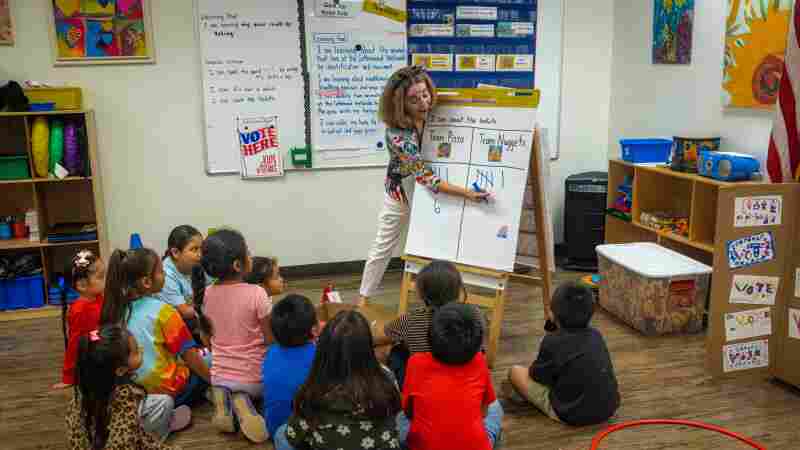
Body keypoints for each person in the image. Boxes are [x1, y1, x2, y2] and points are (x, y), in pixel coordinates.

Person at [358, 65, 489, 306]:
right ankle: (363, 301)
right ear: (400, 104)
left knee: (441, 240)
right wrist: (468, 193)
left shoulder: (435, 112)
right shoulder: (397, 134)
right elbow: (426, 178)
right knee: (383, 244)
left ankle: (446, 296)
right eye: (414, 99)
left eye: (425, 94)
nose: (423, 102)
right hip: (402, 191)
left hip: (436, 185)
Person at [274, 310, 401, 450]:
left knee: (281, 434)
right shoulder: (386, 377)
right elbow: (394, 416)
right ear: (368, 347)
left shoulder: (313, 389)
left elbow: (294, 436)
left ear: (323, 348)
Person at [101, 248, 211, 407]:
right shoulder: (164, 311)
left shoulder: (112, 312)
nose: (165, 274)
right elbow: (190, 356)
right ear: (146, 282)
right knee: (209, 359)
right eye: (161, 271)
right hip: (169, 392)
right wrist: (214, 381)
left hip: (130, 394)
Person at [194, 229, 272, 443]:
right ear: (238, 265)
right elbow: (269, 339)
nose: (251, 255)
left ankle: (225, 399)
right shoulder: (257, 293)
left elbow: (207, 341)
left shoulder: (206, 293)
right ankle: (242, 400)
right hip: (254, 378)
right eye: (247, 251)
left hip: (219, 375)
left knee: (216, 367)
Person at [507, 281, 620, 426]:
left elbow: (537, 376)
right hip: (608, 409)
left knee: (515, 372)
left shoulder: (552, 341)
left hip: (571, 414)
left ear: (553, 314)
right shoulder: (596, 335)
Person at [65, 324, 190, 449]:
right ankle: (166, 425)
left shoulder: (82, 393)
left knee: (162, 402)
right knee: (165, 402)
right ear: (120, 370)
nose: (140, 350)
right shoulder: (123, 397)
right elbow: (124, 441)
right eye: (135, 352)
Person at [398, 303, 503, 450]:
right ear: (477, 343)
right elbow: (483, 412)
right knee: (496, 407)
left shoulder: (415, 362)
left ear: (431, 338)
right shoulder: (479, 361)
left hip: (424, 445)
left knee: (400, 418)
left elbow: (409, 411)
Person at [261, 294, 317, 437]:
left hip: (275, 429)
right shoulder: (320, 355)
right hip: (307, 433)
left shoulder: (270, 353)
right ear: (313, 329)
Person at [53, 249, 106, 389]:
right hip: (93, 364)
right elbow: (75, 344)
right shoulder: (79, 310)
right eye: (100, 277)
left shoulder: (99, 297)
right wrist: (68, 377)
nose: (104, 281)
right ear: (82, 285)